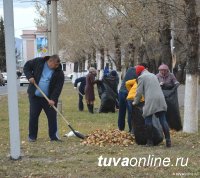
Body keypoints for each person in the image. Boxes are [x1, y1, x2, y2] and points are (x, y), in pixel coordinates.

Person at [23, 54, 64, 142]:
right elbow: (26, 67)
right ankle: (32, 137)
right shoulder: (38, 61)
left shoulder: (59, 72)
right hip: (35, 96)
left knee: (52, 117)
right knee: (33, 116)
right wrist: (30, 76)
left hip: (49, 98)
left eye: (58, 65)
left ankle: (53, 137)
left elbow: (58, 87)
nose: (57, 66)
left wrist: (53, 99)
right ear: (50, 61)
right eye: (55, 64)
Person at [132, 65, 171, 147]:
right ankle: (168, 140)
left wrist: (135, 102)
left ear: (138, 73)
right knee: (163, 120)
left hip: (151, 100)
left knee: (147, 119)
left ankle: (150, 142)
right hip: (161, 99)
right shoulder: (153, 75)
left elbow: (139, 92)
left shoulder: (141, 77)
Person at [118, 63, 148, 132]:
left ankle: (120, 129)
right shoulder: (139, 73)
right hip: (129, 93)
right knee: (130, 113)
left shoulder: (129, 69)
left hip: (121, 91)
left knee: (121, 112)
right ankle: (131, 129)